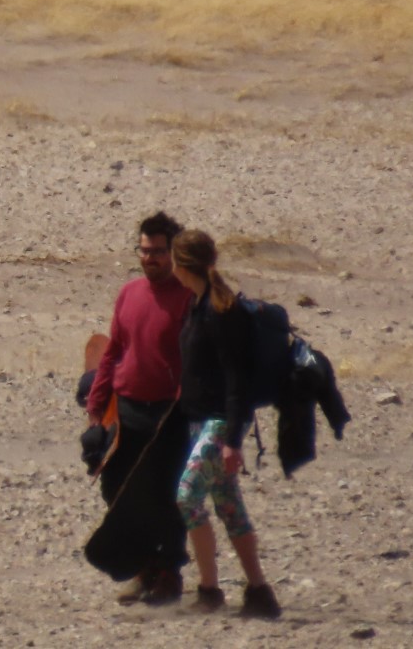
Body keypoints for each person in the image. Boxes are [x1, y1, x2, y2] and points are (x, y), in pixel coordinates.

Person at [171, 229, 282, 619]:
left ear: (182, 266)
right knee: (228, 506)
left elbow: (239, 380)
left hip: (220, 424)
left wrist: (233, 439)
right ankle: (259, 592)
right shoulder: (198, 304)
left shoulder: (223, 312)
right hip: (199, 421)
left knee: (187, 497)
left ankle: (209, 589)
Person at [85, 211, 194, 604]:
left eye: (158, 252)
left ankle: (169, 573)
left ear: (174, 253)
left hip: (169, 415)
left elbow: (194, 359)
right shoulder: (129, 292)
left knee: (165, 495)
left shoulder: (188, 297)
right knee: (115, 486)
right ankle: (144, 567)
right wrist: (97, 402)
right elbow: (113, 349)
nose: (150, 258)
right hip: (127, 408)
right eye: (144, 251)